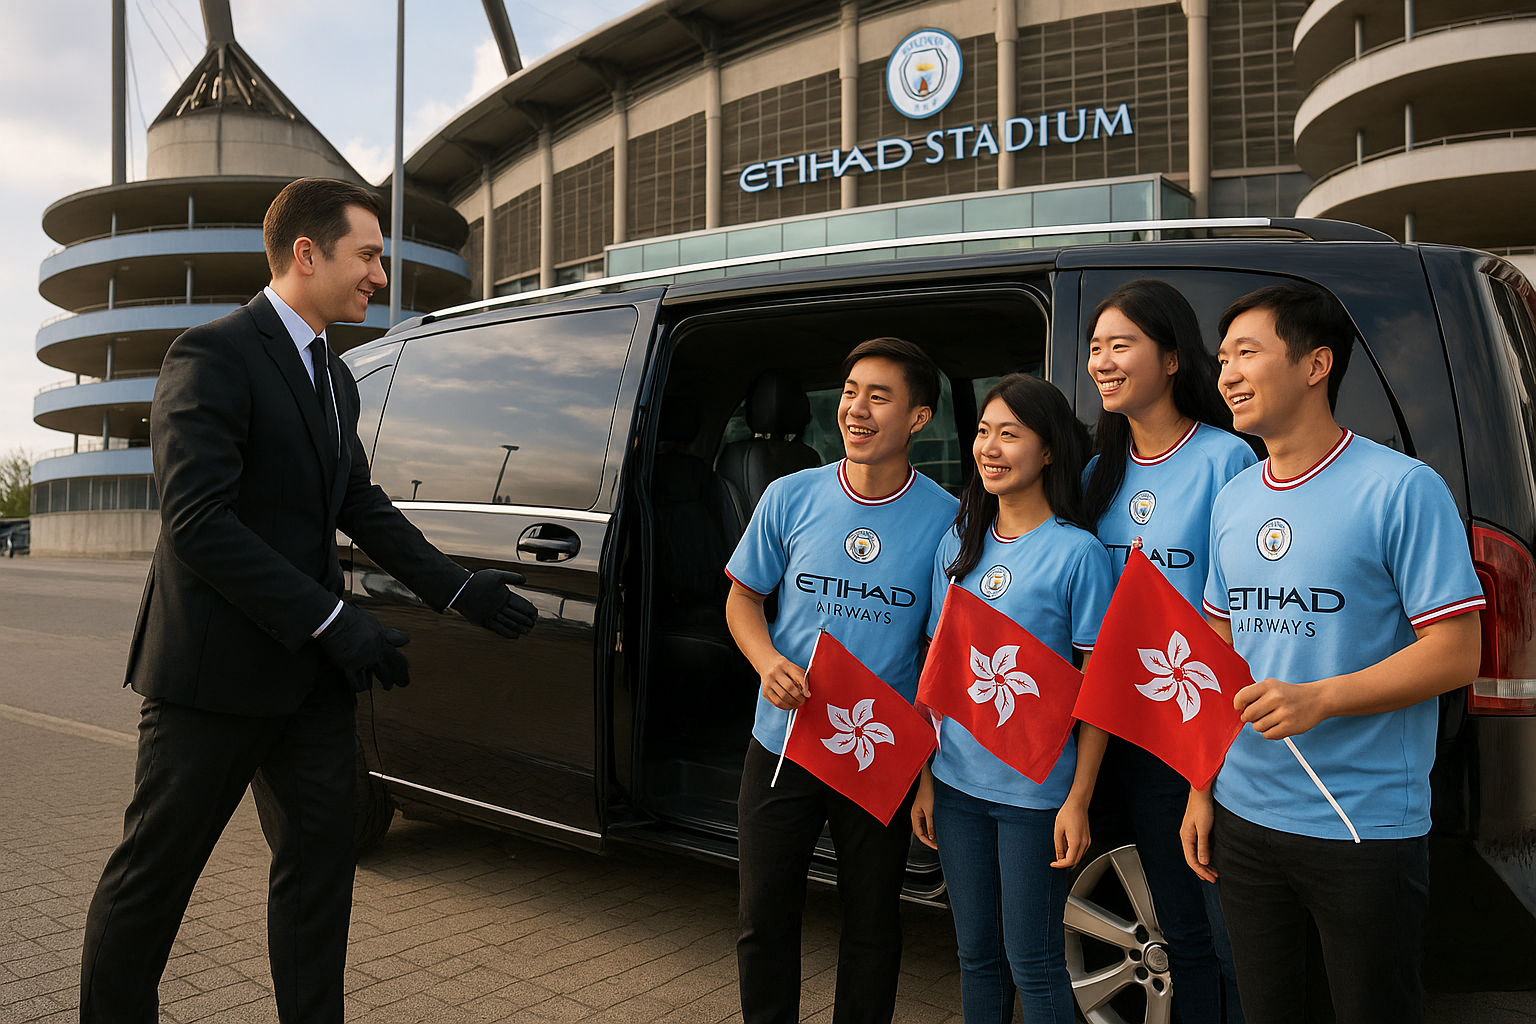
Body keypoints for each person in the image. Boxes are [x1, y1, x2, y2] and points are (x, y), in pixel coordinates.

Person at [79, 177, 539, 1024]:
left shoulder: (337, 377)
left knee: (320, 875)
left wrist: (458, 588)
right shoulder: (211, 355)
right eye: (367, 255)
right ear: (306, 254)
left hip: (309, 686)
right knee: (153, 881)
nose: (379, 276)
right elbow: (198, 523)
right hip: (209, 682)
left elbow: (355, 502)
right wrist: (333, 618)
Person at [1181, 282, 1485, 1024]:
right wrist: (1199, 783)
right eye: (1222, 359)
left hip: (1360, 824)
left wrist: (1320, 697)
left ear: (1316, 365)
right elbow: (1220, 646)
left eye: (1247, 353)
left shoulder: (1402, 489)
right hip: (1243, 815)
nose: (1226, 375)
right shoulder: (1235, 496)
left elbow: (1455, 653)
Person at [725, 337, 958, 1024]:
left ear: (917, 419)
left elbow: (940, 653)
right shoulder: (789, 496)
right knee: (763, 915)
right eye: (851, 391)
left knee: (872, 923)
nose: (855, 408)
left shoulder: (947, 519)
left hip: (877, 749)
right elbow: (742, 600)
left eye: (877, 396)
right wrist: (768, 662)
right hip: (783, 742)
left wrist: (925, 771)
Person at [910, 373, 1114, 1024]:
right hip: (957, 787)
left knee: (1036, 964)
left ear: (1049, 450)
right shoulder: (958, 539)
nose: (989, 447)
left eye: (1010, 434)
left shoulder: (1078, 553)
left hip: (1035, 796)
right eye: (982, 432)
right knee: (977, 957)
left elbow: (1097, 693)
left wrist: (1078, 799)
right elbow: (937, 673)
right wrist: (924, 780)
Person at [1083, 278, 1257, 1023]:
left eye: (1122, 345)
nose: (1104, 362)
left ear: (1174, 357)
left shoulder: (1228, 461)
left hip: (1192, 733)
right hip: (1111, 724)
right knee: (1168, 926)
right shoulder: (1097, 473)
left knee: (1212, 935)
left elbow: (1242, 620)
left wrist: (1207, 765)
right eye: (1095, 348)